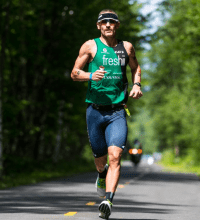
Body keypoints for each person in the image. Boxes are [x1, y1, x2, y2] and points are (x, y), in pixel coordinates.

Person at [71, 9, 143, 219]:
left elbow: (135, 68)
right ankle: (101, 175)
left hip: (117, 112)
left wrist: (137, 84)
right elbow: (74, 73)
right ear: (98, 26)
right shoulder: (90, 46)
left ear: (117, 26)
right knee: (100, 160)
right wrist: (91, 75)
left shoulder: (126, 47)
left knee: (115, 156)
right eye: (104, 22)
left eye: (112, 22)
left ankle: (107, 200)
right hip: (94, 111)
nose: (108, 25)